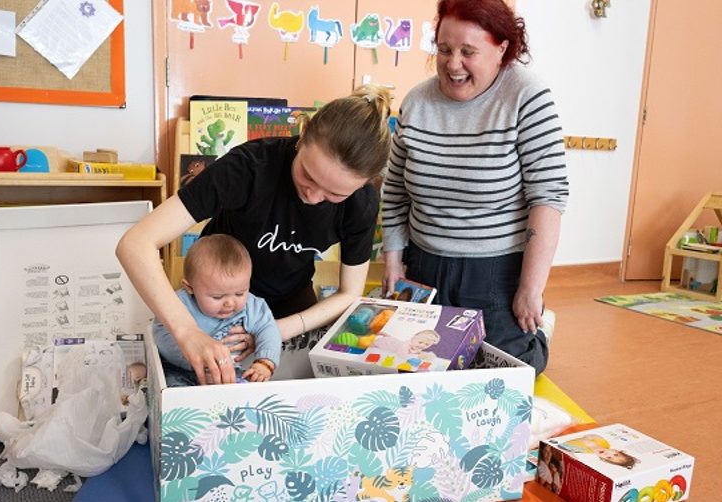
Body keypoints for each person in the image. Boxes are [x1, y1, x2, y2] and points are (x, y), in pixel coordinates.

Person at [117, 85, 392, 384]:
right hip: (213, 300)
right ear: (302, 138)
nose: (313, 197)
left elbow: (349, 293)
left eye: (334, 194)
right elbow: (135, 244)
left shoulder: (361, 203)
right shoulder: (250, 167)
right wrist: (187, 332)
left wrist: (272, 331)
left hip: (290, 306)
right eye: (307, 176)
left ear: (365, 183)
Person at [381, 0, 568, 375]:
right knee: (420, 366)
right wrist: (393, 261)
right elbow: (395, 191)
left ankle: (539, 330)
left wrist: (530, 290)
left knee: (508, 372)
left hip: (495, 270)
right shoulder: (417, 101)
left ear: (502, 49)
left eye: (468, 52)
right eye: (444, 50)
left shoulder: (527, 96)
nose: (453, 64)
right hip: (425, 263)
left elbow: (547, 196)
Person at [153, 235, 282, 386]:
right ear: (189, 288)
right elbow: (161, 333)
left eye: (240, 293)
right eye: (217, 297)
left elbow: (269, 329)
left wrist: (265, 362)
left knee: (247, 390)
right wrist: (198, 361)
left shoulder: (252, 305)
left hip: (230, 372)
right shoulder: (179, 304)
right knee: (172, 393)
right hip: (179, 371)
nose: (230, 303)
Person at [371, 329, 440, 359]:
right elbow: (402, 356)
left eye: (426, 345)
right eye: (420, 342)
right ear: (413, 338)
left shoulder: (416, 347)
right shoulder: (405, 345)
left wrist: (422, 354)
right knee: (372, 345)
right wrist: (417, 356)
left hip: (394, 341)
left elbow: (416, 352)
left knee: (394, 340)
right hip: (386, 342)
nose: (422, 345)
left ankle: (384, 334)